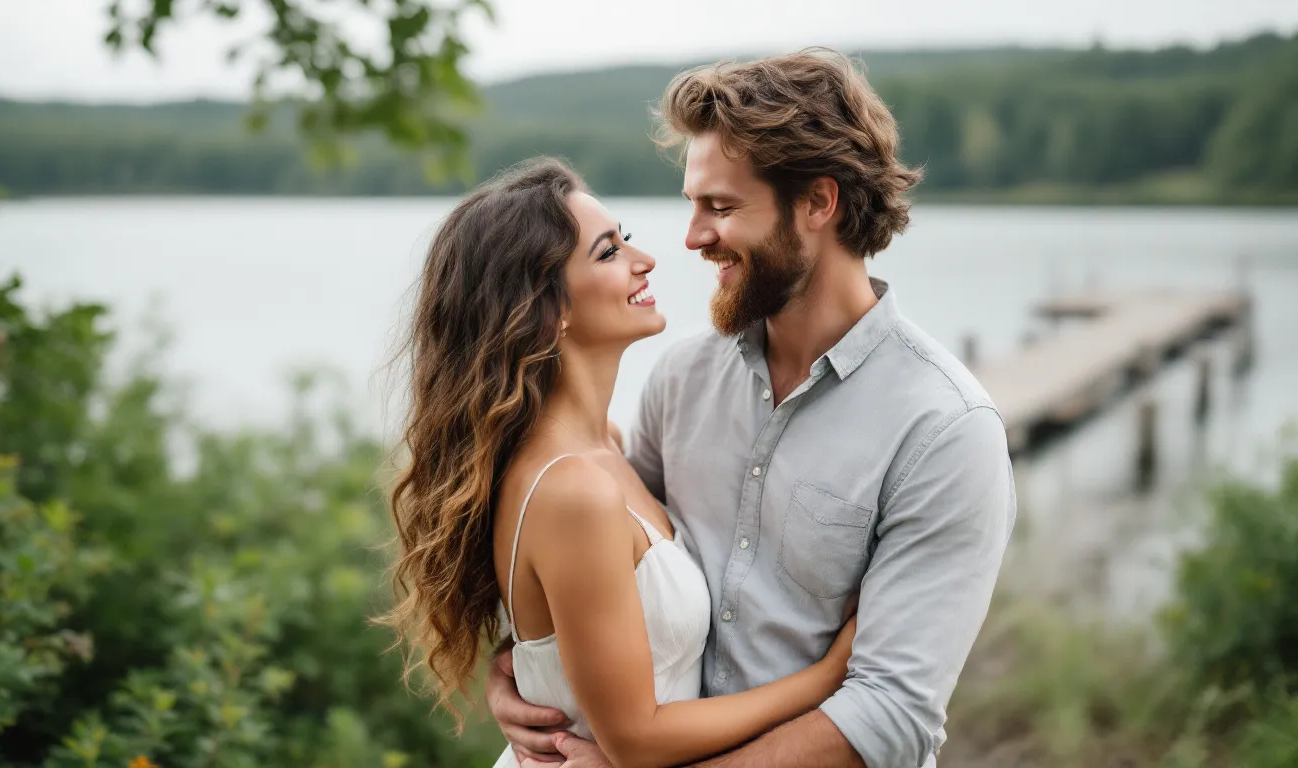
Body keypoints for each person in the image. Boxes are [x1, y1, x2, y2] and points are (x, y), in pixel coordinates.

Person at [486, 49, 1016, 768]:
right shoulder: (682, 378)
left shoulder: (945, 431)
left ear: (818, 203)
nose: (693, 238)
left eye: (722, 207)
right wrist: (524, 668)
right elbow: (607, 566)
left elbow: (890, 715)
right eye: (692, 205)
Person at [377, 157, 859, 768]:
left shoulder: (602, 445)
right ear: (548, 311)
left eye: (624, 239)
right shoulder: (573, 489)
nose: (645, 260)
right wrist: (827, 680)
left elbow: (569, 627)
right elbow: (636, 738)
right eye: (608, 253)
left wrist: (520, 667)